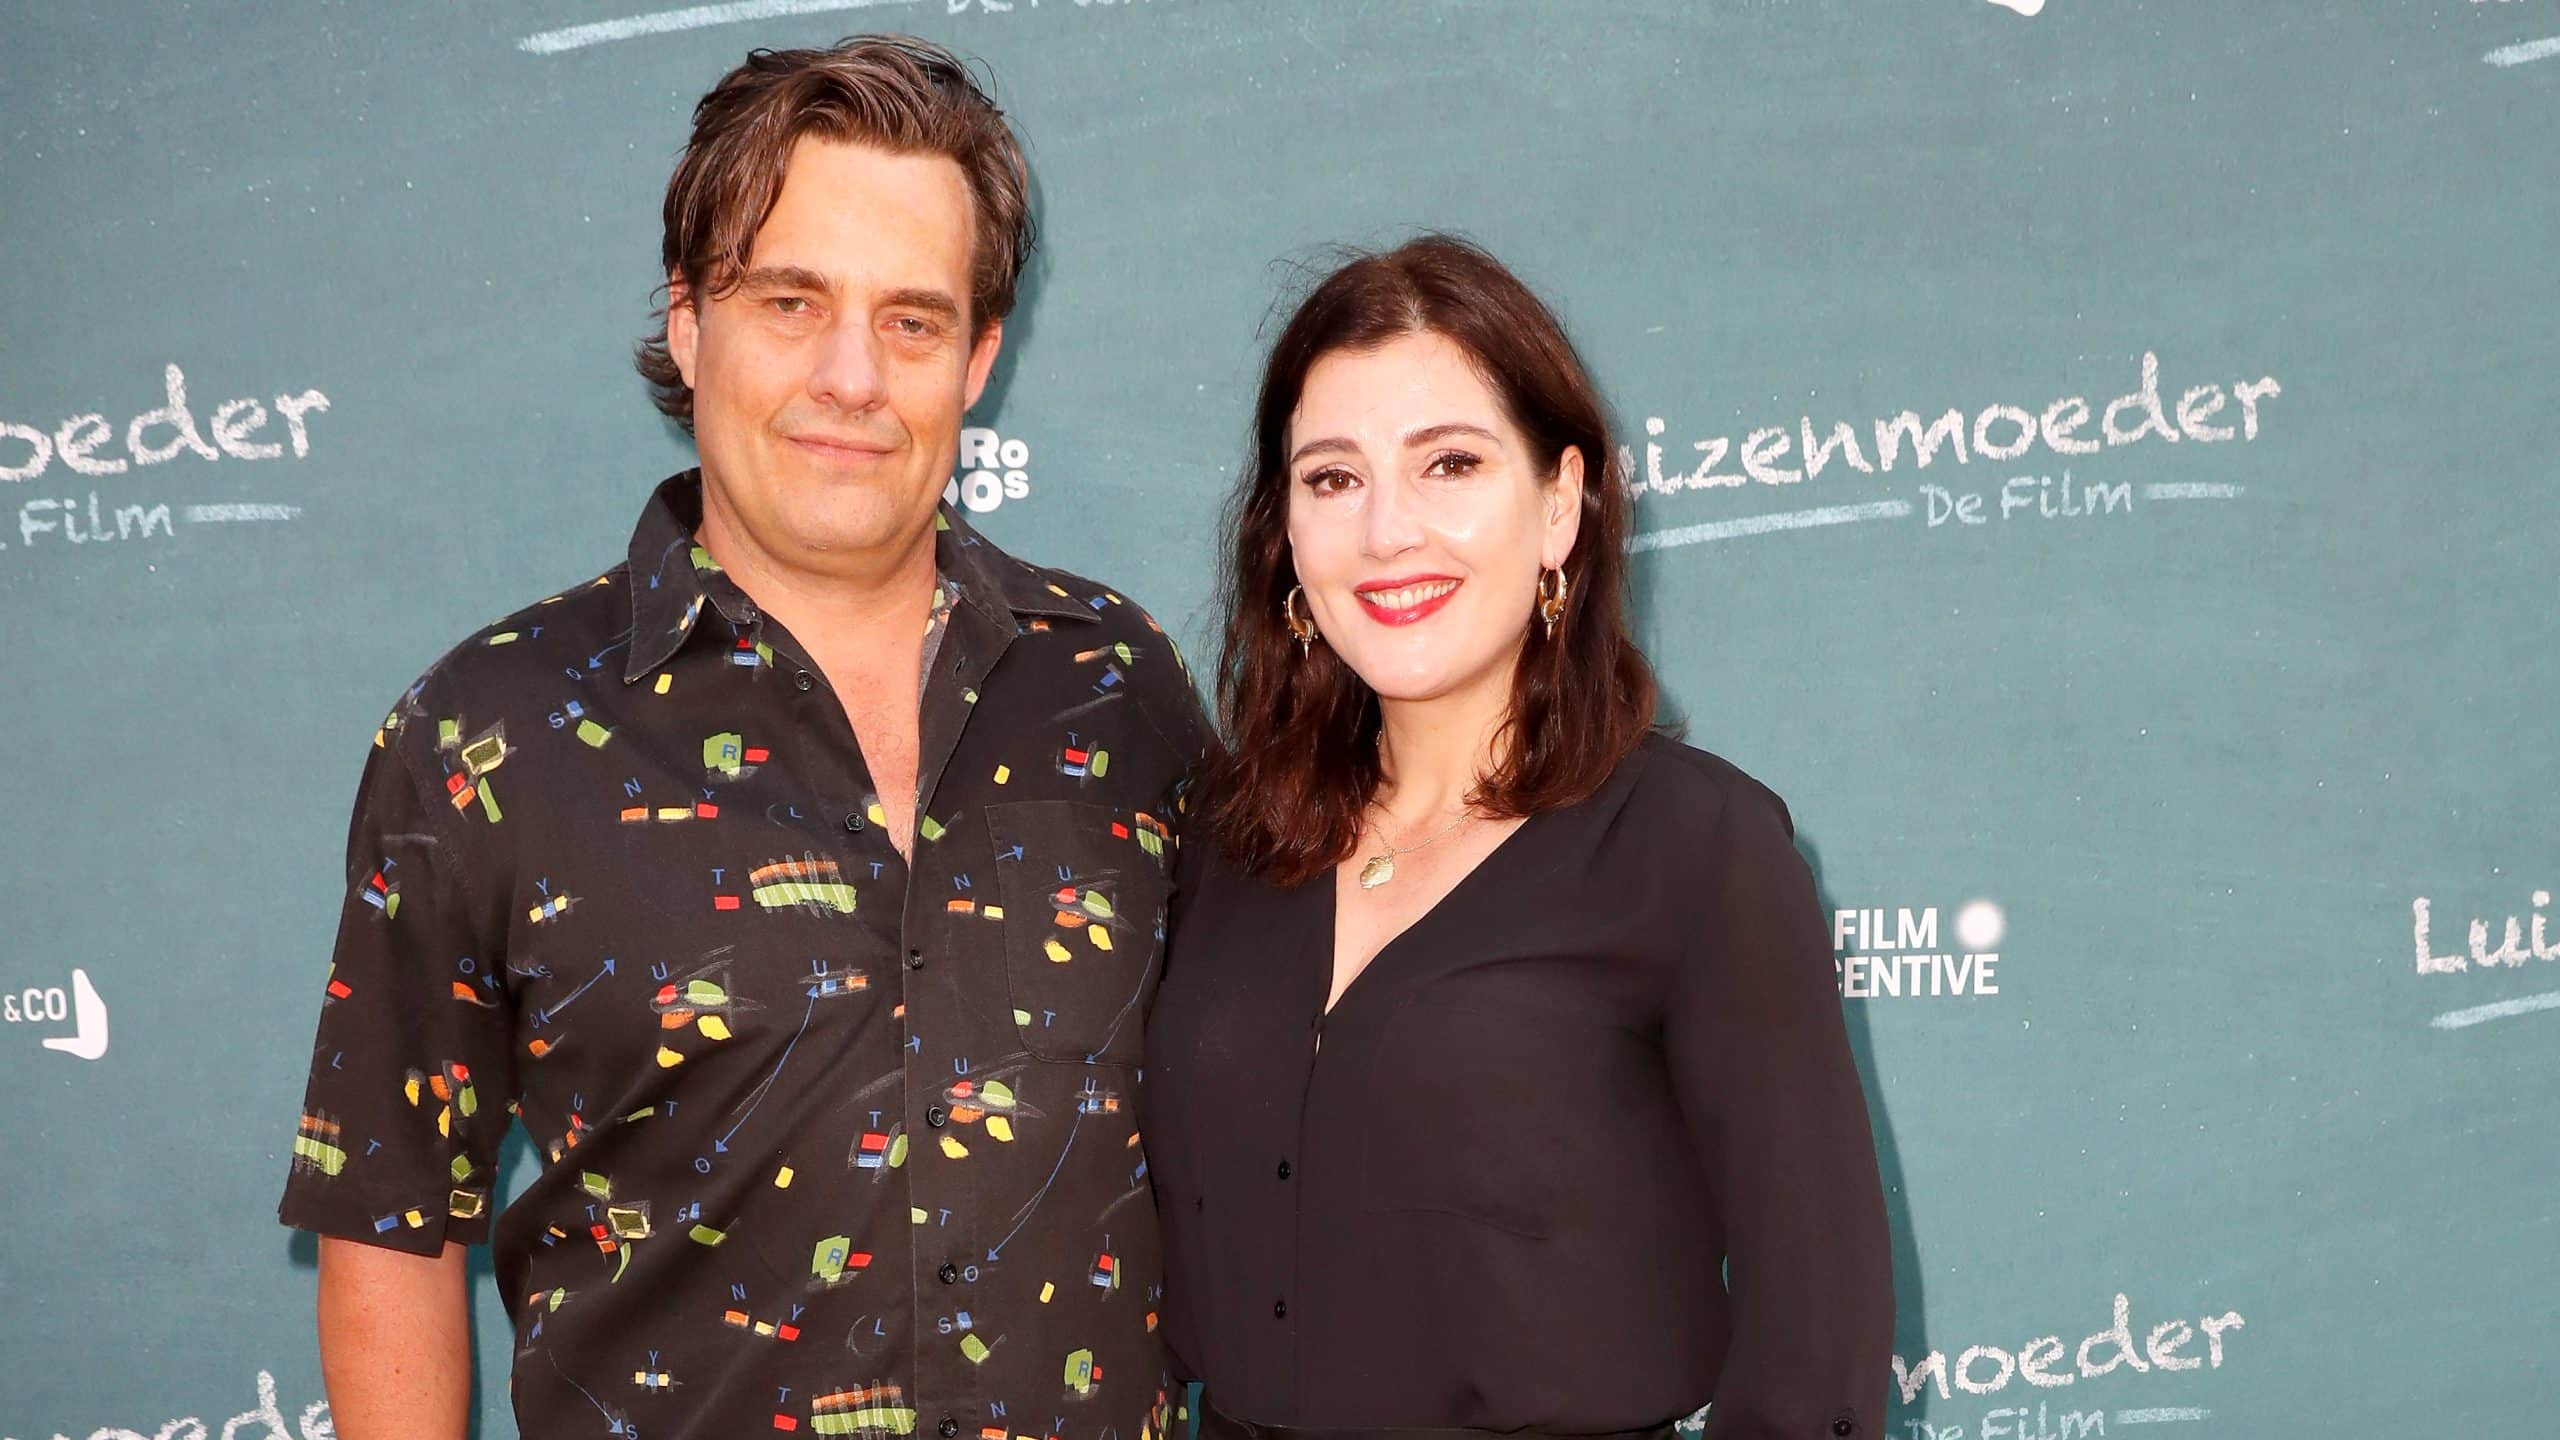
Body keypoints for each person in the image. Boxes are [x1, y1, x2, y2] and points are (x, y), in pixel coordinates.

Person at [278, 36, 1207, 1440]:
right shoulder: (486, 736)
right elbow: (389, 1218)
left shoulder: (1116, 687)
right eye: (790, 302)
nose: (852, 376)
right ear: (689, 323)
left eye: (912, 321)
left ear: (979, 360)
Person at [1143, 236, 1893, 1440]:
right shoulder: (1219, 844)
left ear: (1558, 504)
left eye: (1449, 463)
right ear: (1284, 531)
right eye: (1331, 478)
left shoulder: (1699, 850)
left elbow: (1817, 1353)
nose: (1387, 531)